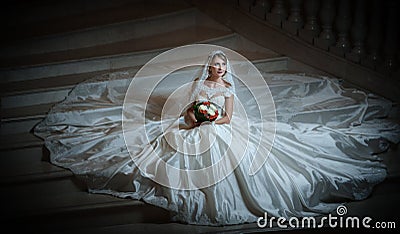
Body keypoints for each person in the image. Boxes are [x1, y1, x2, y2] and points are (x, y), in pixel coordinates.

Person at [34, 47, 400, 226]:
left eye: (223, 65)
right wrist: (194, 117)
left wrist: (211, 120)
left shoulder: (228, 89)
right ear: (209, 65)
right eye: (216, 63)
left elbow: (227, 118)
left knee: (222, 145)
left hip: (220, 128)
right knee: (172, 140)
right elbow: (184, 110)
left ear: (227, 69)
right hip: (194, 123)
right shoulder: (198, 83)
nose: (219, 68)